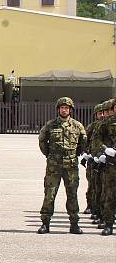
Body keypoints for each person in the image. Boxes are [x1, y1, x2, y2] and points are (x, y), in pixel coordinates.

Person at [37, 97, 87, 234]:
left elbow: (83, 142)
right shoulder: (51, 125)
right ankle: (45, 223)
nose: (64, 110)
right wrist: (49, 155)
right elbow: (42, 140)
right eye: (62, 108)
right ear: (58, 109)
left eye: (66, 108)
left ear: (70, 110)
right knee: (50, 194)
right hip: (54, 166)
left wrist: (75, 154)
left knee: (72, 194)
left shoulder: (77, 126)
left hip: (70, 166)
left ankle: (74, 223)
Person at [90, 99, 116, 235]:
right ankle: (108, 224)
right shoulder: (106, 123)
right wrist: (105, 150)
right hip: (111, 164)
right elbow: (96, 139)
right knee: (109, 195)